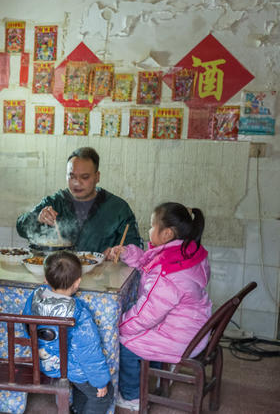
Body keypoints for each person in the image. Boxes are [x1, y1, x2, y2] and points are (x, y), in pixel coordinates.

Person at [107, 202, 211, 411]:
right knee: (136, 330)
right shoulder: (186, 251)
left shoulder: (168, 272)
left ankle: (132, 396)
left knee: (124, 341)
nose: (149, 230)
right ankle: (153, 379)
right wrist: (127, 253)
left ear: (167, 234)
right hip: (193, 326)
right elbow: (149, 263)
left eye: (152, 226)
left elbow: (147, 315)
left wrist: (119, 325)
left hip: (180, 336)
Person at [22, 251, 113, 414]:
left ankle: (76, 410)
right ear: (77, 282)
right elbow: (89, 353)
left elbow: (27, 327)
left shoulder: (34, 297)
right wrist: (101, 382)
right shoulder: (79, 314)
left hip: (41, 360)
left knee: (83, 383)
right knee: (103, 395)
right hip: (67, 367)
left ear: (45, 279)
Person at [16, 147, 141, 254]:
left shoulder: (117, 208)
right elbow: (21, 227)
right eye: (72, 176)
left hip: (102, 278)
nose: (77, 183)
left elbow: (135, 250)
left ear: (97, 177)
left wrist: (120, 253)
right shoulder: (56, 202)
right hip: (59, 276)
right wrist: (38, 217)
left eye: (85, 177)